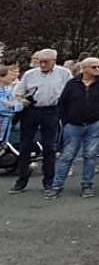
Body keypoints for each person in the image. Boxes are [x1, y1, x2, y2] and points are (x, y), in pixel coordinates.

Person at [46, 57, 99, 198]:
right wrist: (66, 121)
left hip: (94, 124)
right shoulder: (72, 83)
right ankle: (56, 186)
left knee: (90, 155)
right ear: (85, 69)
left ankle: (87, 185)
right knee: (67, 156)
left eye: (98, 67)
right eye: (94, 67)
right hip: (73, 125)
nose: (98, 70)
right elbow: (63, 103)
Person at [10, 48, 73, 194]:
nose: (42, 65)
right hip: (32, 110)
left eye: (46, 62)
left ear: (54, 61)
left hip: (51, 110)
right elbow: (18, 93)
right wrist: (24, 100)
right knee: (25, 146)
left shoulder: (64, 73)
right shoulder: (30, 74)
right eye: (40, 62)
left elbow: (69, 92)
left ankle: (48, 181)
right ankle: (21, 180)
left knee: (49, 147)